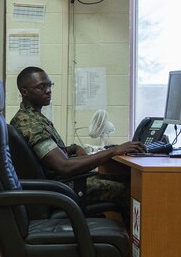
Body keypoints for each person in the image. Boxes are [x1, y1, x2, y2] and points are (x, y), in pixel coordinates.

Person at [9, 66, 142, 218]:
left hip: (60, 184)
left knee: (126, 179)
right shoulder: (30, 123)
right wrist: (113, 151)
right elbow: (64, 166)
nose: (48, 90)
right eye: (41, 86)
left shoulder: (32, 117)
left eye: (49, 85)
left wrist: (72, 148)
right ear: (24, 91)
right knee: (129, 189)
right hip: (61, 188)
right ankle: (140, 241)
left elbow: (45, 154)